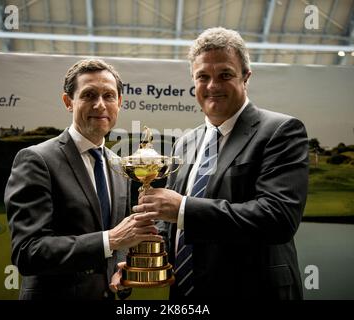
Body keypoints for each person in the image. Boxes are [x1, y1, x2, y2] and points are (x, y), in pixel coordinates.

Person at [131, 27, 309, 299]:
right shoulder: (186, 142)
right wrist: (147, 260)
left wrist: (183, 208)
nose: (212, 86)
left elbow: (278, 218)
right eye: (203, 76)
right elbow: (174, 223)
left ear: (246, 76)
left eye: (224, 75)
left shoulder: (280, 130)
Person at [4, 59, 162, 300]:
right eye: (89, 95)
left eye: (109, 96)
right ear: (69, 102)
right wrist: (110, 239)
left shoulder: (119, 165)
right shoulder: (36, 160)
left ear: (119, 103)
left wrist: (121, 271)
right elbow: (28, 252)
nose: (100, 105)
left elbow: (118, 241)